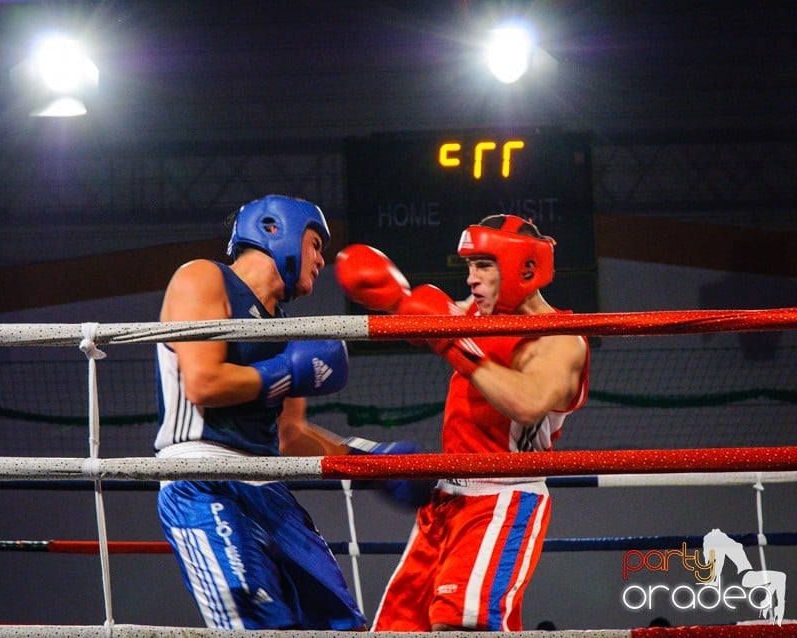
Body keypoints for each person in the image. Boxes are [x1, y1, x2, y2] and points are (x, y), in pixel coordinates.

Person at [154, 194, 417, 631]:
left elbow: (291, 435)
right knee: (259, 618)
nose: (321, 260)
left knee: (338, 621)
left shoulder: (286, 328)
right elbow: (203, 383)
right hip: (201, 474)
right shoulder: (203, 278)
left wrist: (373, 466)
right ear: (276, 229)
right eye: (316, 245)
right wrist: (285, 372)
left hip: (268, 487)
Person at [335, 214, 591, 632]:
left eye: (483, 266)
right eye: (469, 266)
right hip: (445, 502)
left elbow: (526, 403)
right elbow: (429, 323)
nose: (471, 279)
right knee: (399, 629)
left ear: (523, 267)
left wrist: (455, 343)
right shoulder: (476, 313)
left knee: (462, 626)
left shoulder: (560, 339)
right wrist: (397, 301)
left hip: (501, 498)